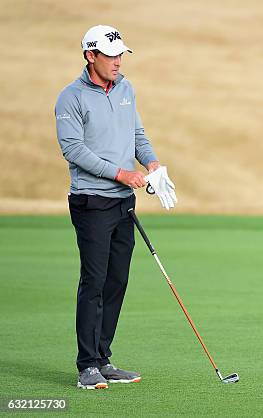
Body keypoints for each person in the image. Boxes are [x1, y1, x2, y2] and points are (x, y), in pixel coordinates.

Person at [55, 25, 178, 389]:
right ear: (90, 56)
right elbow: (74, 150)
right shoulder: (71, 98)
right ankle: (87, 366)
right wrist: (122, 174)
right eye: (110, 55)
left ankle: (104, 359)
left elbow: (136, 134)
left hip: (124, 203)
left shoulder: (125, 88)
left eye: (121, 55)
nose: (117, 62)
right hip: (91, 201)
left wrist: (152, 163)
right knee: (93, 280)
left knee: (116, 280)